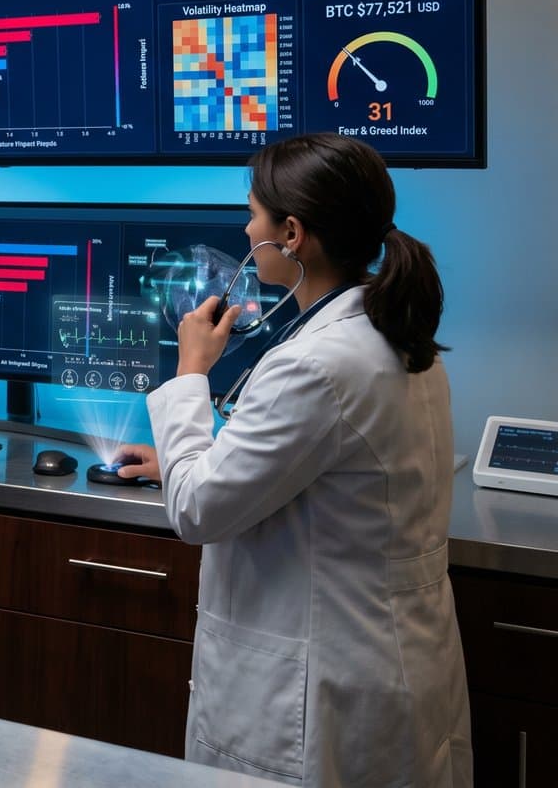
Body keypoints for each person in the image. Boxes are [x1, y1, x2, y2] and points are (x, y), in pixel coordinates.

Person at [113, 133, 471, 787]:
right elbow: (322, 472)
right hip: (392, 661)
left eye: (253, 215)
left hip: (318, 688)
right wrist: (189, 459)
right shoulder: (394, 334)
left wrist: (192, 368)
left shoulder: (314, 364)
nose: (246, 229)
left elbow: (197, 510)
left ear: (292, 234)